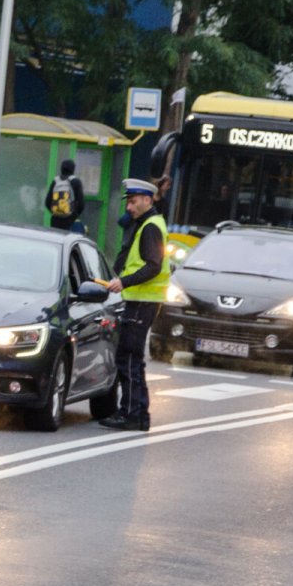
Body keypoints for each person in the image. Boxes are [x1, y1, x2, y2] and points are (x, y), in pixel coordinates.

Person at [101, 178, 169, 432]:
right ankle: (137, 414)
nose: (129, 207)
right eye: (128, 202)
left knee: (128, 357)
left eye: (133, 202)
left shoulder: (150, 227)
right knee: (132, 358)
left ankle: (131, 413)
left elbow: (153, 266)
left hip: (142, 301)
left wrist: (124, 282)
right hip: (142, 301)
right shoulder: (146, 224)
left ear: (148, 200)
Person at [46, 158, 86, 231]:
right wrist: (74, 215)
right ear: (73, 169)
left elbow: (47, 202)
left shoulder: (55, 181)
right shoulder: (75, 181)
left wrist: (56, 212)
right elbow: (81, 204)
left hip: (55, 220)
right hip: (70, 220)